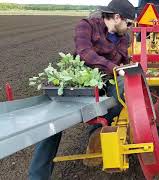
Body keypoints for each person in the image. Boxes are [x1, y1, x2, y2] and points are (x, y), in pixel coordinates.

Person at [28, 0, 135, 179]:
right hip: (79, 80)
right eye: (129, 23)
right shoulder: (87, 26)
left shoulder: (125, 38)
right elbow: (84, 53)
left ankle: (98, 130)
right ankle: (37, 176)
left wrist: (128, 67)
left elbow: (123, 59)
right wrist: (113, 66)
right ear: (117, 17)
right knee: (51, 125)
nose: (130, 28)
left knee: (125, 90)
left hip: (106, 80)